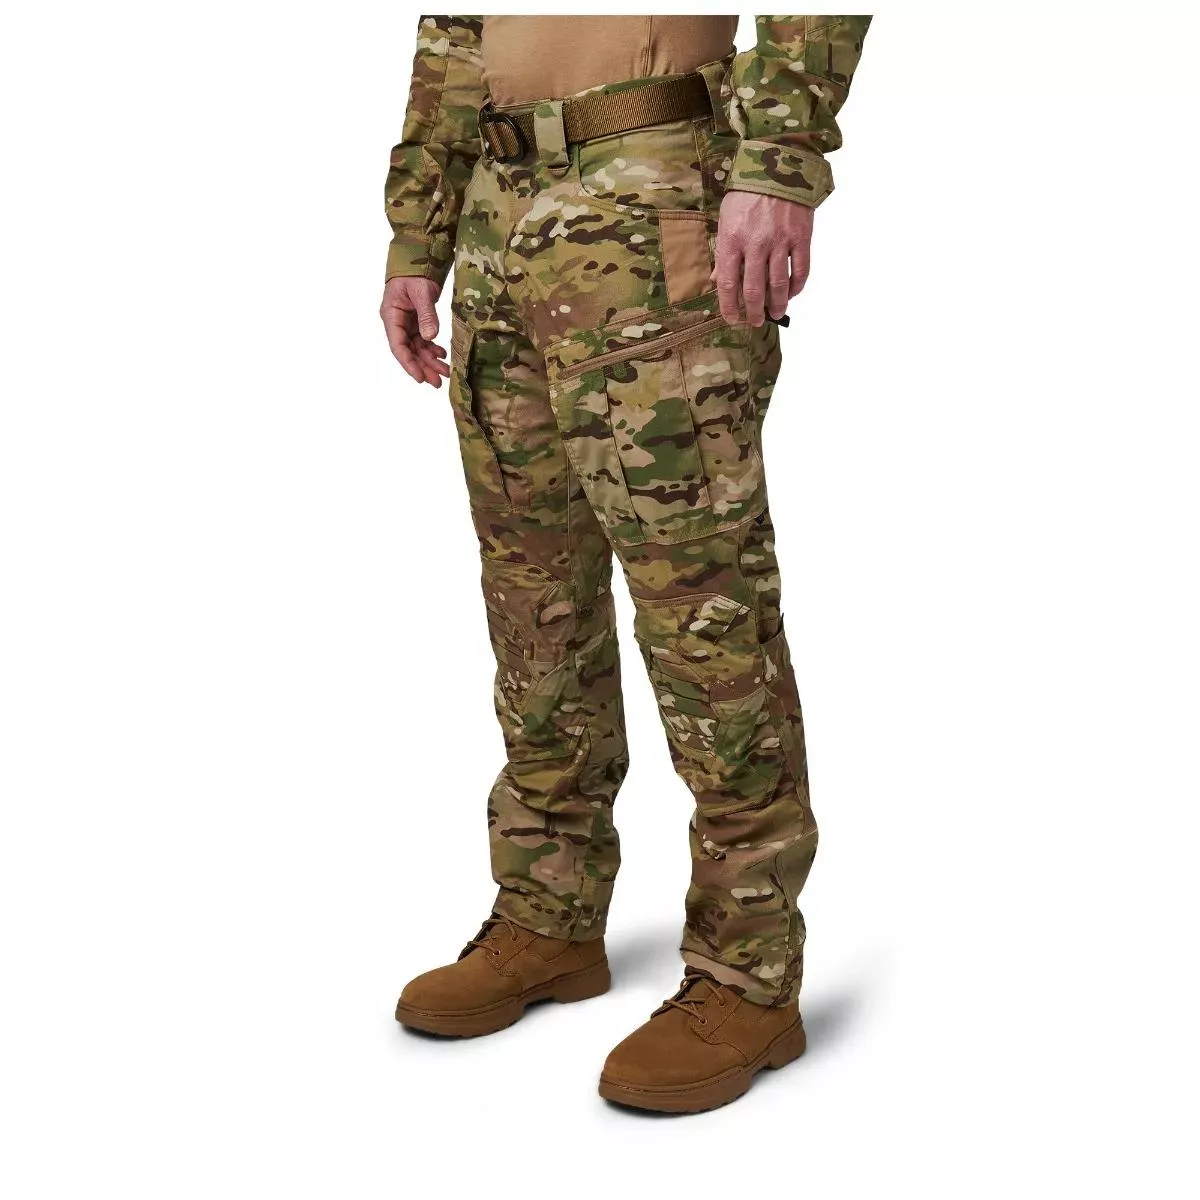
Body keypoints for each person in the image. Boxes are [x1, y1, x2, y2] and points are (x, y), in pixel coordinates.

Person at [380, 14, 870, 1113]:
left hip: (652, 203)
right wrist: (419, 234)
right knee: (532, 603)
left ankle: (747, 974)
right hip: (498, 219)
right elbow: (456, 31)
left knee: (703, 611)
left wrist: (778, 160)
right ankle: (548, 913)